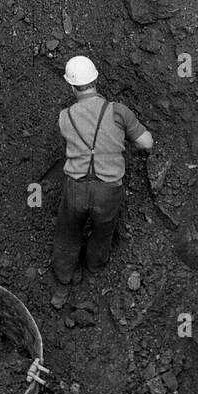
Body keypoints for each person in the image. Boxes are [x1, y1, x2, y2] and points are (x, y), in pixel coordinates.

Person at [51, 55, 153, 284]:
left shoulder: (64, 117)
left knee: (67, 232)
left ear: (72, 86)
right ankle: (95, 267)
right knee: (103, 232)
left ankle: (64, 274)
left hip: (75, 188)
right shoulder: (118, 111)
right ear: (96, 79)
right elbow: (146, 143)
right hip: (108, 190)